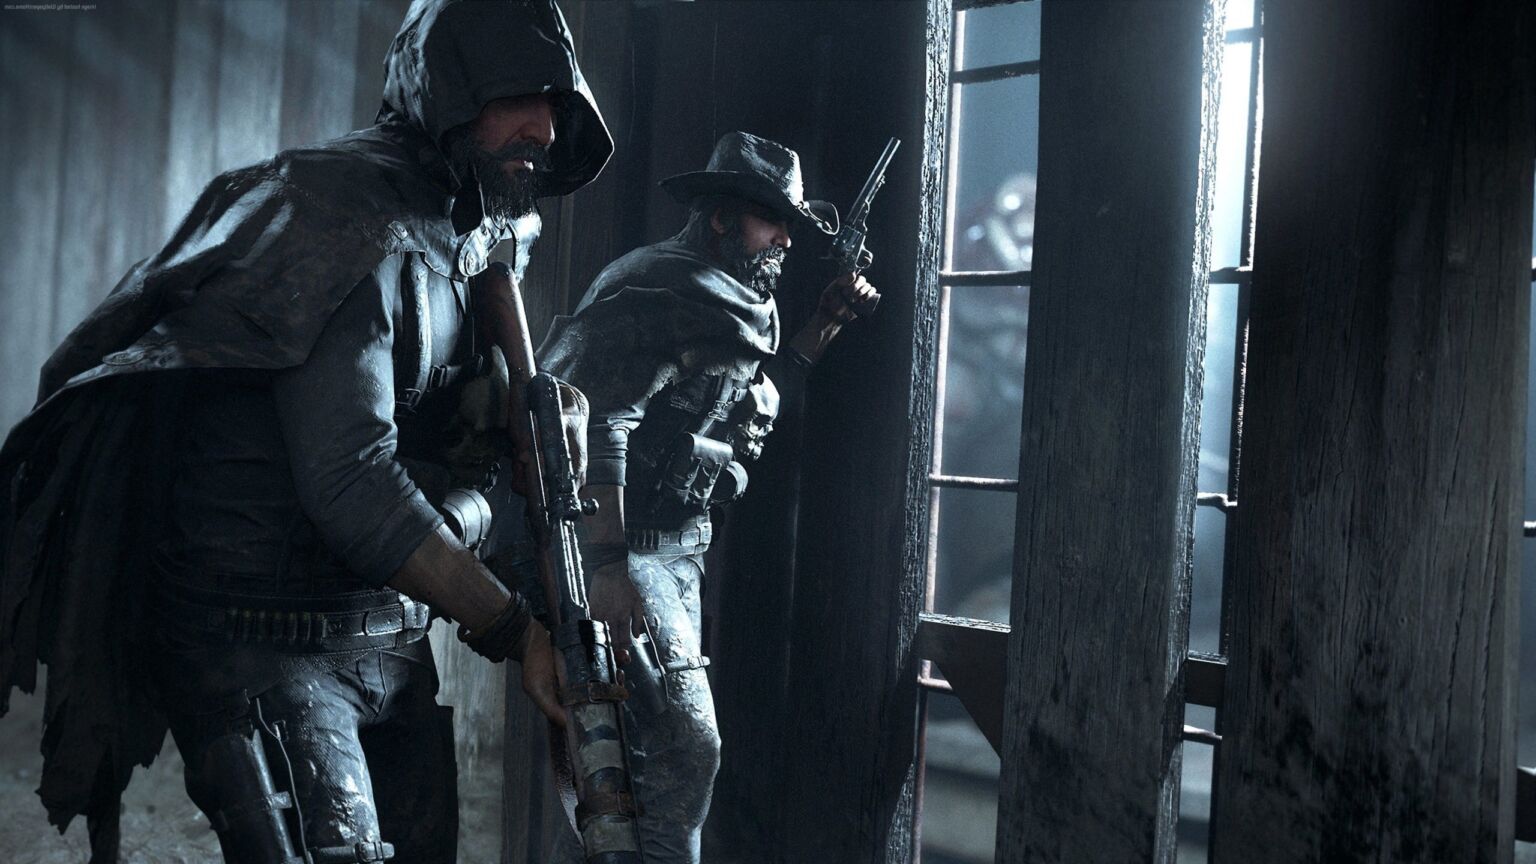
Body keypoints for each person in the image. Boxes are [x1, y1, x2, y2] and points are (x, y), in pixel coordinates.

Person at [0, 1, 610, 862]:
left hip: (386, 631)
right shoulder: (339, 212)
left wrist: (524, 426)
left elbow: (448, 462)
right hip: (262, 640)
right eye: (516, 96)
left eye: (553, 103)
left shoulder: (467, 234)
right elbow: (351, 483)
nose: (542, 127)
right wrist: (518, 633)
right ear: (448, 91)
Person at [536, 130, 880, 863]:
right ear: (722, 216)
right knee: (685, 751)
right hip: (624, 550)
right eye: (770, 219)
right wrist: (607, 568)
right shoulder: (656, 286)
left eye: (788, 223)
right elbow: (594, 419)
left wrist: (824, 324)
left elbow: (744, 405)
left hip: (680, 553)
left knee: (627, 766)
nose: (785, 239)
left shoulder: (749, 300)